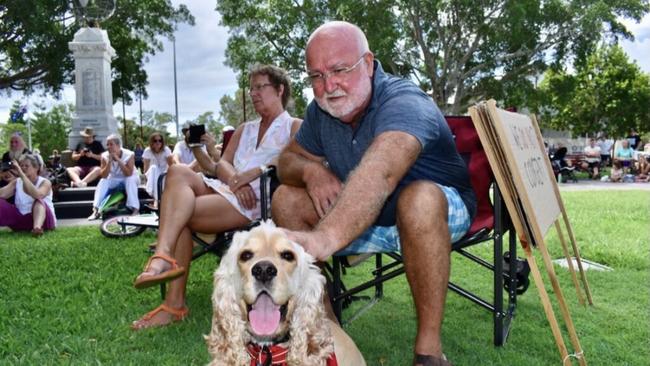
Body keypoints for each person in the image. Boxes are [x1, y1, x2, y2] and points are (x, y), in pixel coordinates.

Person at [270, 22, 476, 366]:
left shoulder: (405, 100)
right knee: (285, 198)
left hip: (434, 214)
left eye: (339, 70)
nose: (328, 86)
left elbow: (381, 172)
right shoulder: (319, 112)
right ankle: (327, 332)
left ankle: (429, 352)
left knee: (419, 199)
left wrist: (324, 238)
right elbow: (286, 161)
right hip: (364, 217)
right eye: (316, 76)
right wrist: (311, 171)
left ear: (368, 63)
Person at [130, 64, 302, 330]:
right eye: (251, 88)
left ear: (280, 90)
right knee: (176, 171)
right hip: (227, 188)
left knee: (180, 214)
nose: (253, 93)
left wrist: (252, 174)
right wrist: (235, 180)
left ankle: (173, 303)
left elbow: (290, 162)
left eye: (260, 87)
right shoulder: (245, 128)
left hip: (254, 201)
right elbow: (222, 163)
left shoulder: (294, 127)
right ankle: (163, 255)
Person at [0, 154, 57, 236]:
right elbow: (2, 194)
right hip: (22, 221)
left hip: (45, 221)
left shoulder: (45, 182)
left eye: (26, 166)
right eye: (21, 165)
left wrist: (21, 174)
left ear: (36, 168)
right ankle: (30, 228)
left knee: (39, 201)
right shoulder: (17, 182)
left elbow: (37, 195)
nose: (23, 168)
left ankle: (37, 229)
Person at [87, 134, 140, 220]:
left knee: (130, 180)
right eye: (107, 144)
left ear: (118, 145)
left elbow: (129, 173)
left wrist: (118, 160)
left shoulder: (129, 154)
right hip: (114, 178)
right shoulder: (104, 156)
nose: (108, 147)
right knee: (103, 182)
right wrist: (109, 162)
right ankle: (96, 210)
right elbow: (104, 175)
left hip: (129, 178)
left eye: (111, 144)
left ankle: (135, 209)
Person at [142, 132, 174, 207]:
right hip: (151, 175)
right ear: (151, 142)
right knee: (154, 168)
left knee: (156, 172)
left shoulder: (166, 150)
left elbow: (171, 166)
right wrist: (146, 180)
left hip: (164, 174)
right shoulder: (147, 151)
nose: (158, 143)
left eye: (160, 140)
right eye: (155, 141)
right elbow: (146, 169)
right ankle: (157, 200)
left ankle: (156, 200)